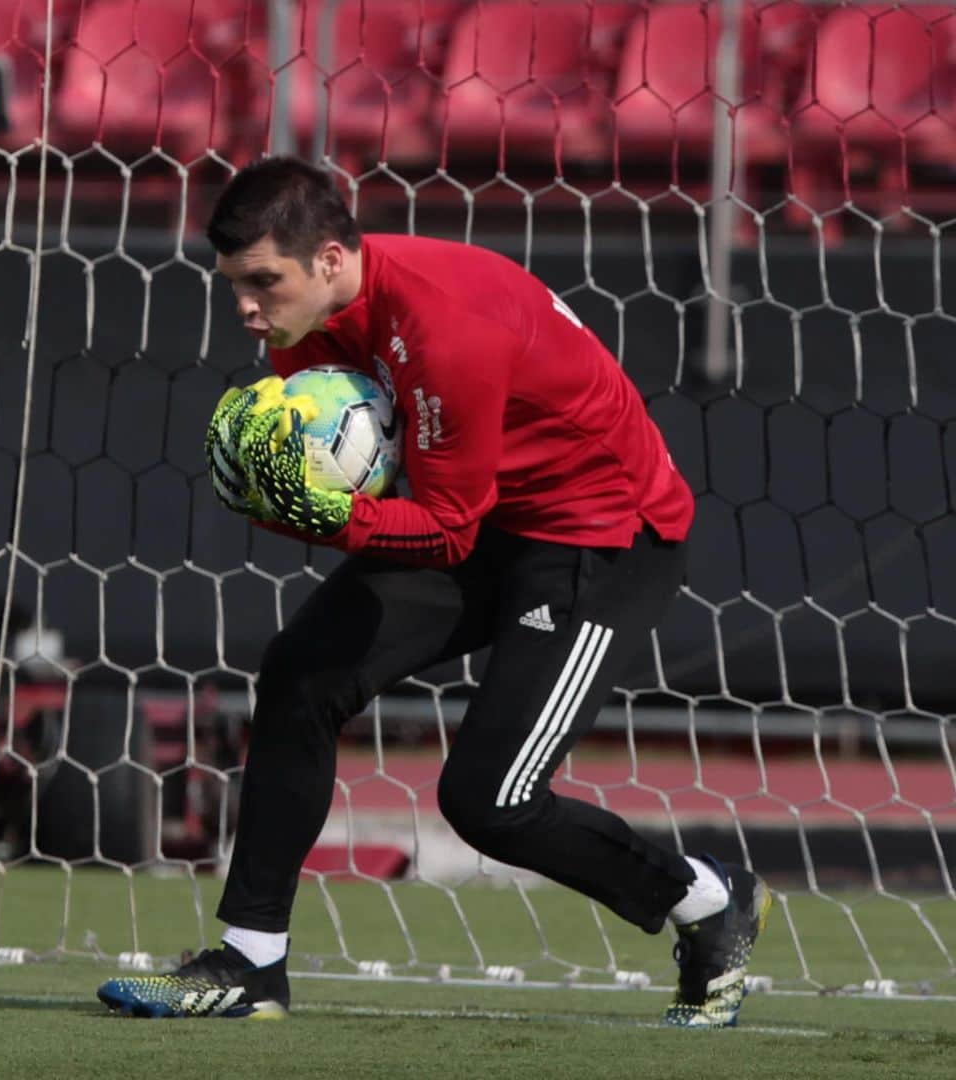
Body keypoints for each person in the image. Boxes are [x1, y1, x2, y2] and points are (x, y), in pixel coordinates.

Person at [97, 157, 770, 1026]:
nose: (246, 306)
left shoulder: (445, 324)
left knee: (490, 802)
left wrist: (326, 519)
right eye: (233, 283)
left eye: (263, 280)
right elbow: (416, 496)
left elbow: (445, 527)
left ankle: (708, 902)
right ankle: (250, 961)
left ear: (333, 259)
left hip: (598, 538)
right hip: (490, 520)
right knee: (301, 672)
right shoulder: (305, 325)